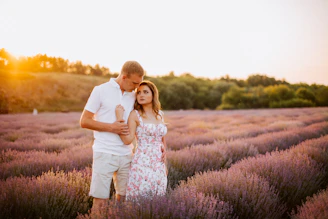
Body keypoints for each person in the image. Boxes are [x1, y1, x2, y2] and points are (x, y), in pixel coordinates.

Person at [79, 61, 144, 213]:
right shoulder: (100, 90)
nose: (137, 87)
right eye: (134, 82)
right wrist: (111, 127)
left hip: (127, 154)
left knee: (125, 202)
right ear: (124, 77)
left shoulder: (134, 96)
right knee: (100, 202)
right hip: (104, 153)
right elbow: (84, 121)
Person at [115, 80, 168, 199]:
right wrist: (119, 119)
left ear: (153, 95)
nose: (141, 95)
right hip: (141, 163)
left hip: (158, 165)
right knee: (140, 199)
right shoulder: (135, 114)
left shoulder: (160, 114)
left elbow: (162, 139)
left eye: (145, 92)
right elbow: (127, 140)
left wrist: (165, 163)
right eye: (138, 93)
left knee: (158, 199)